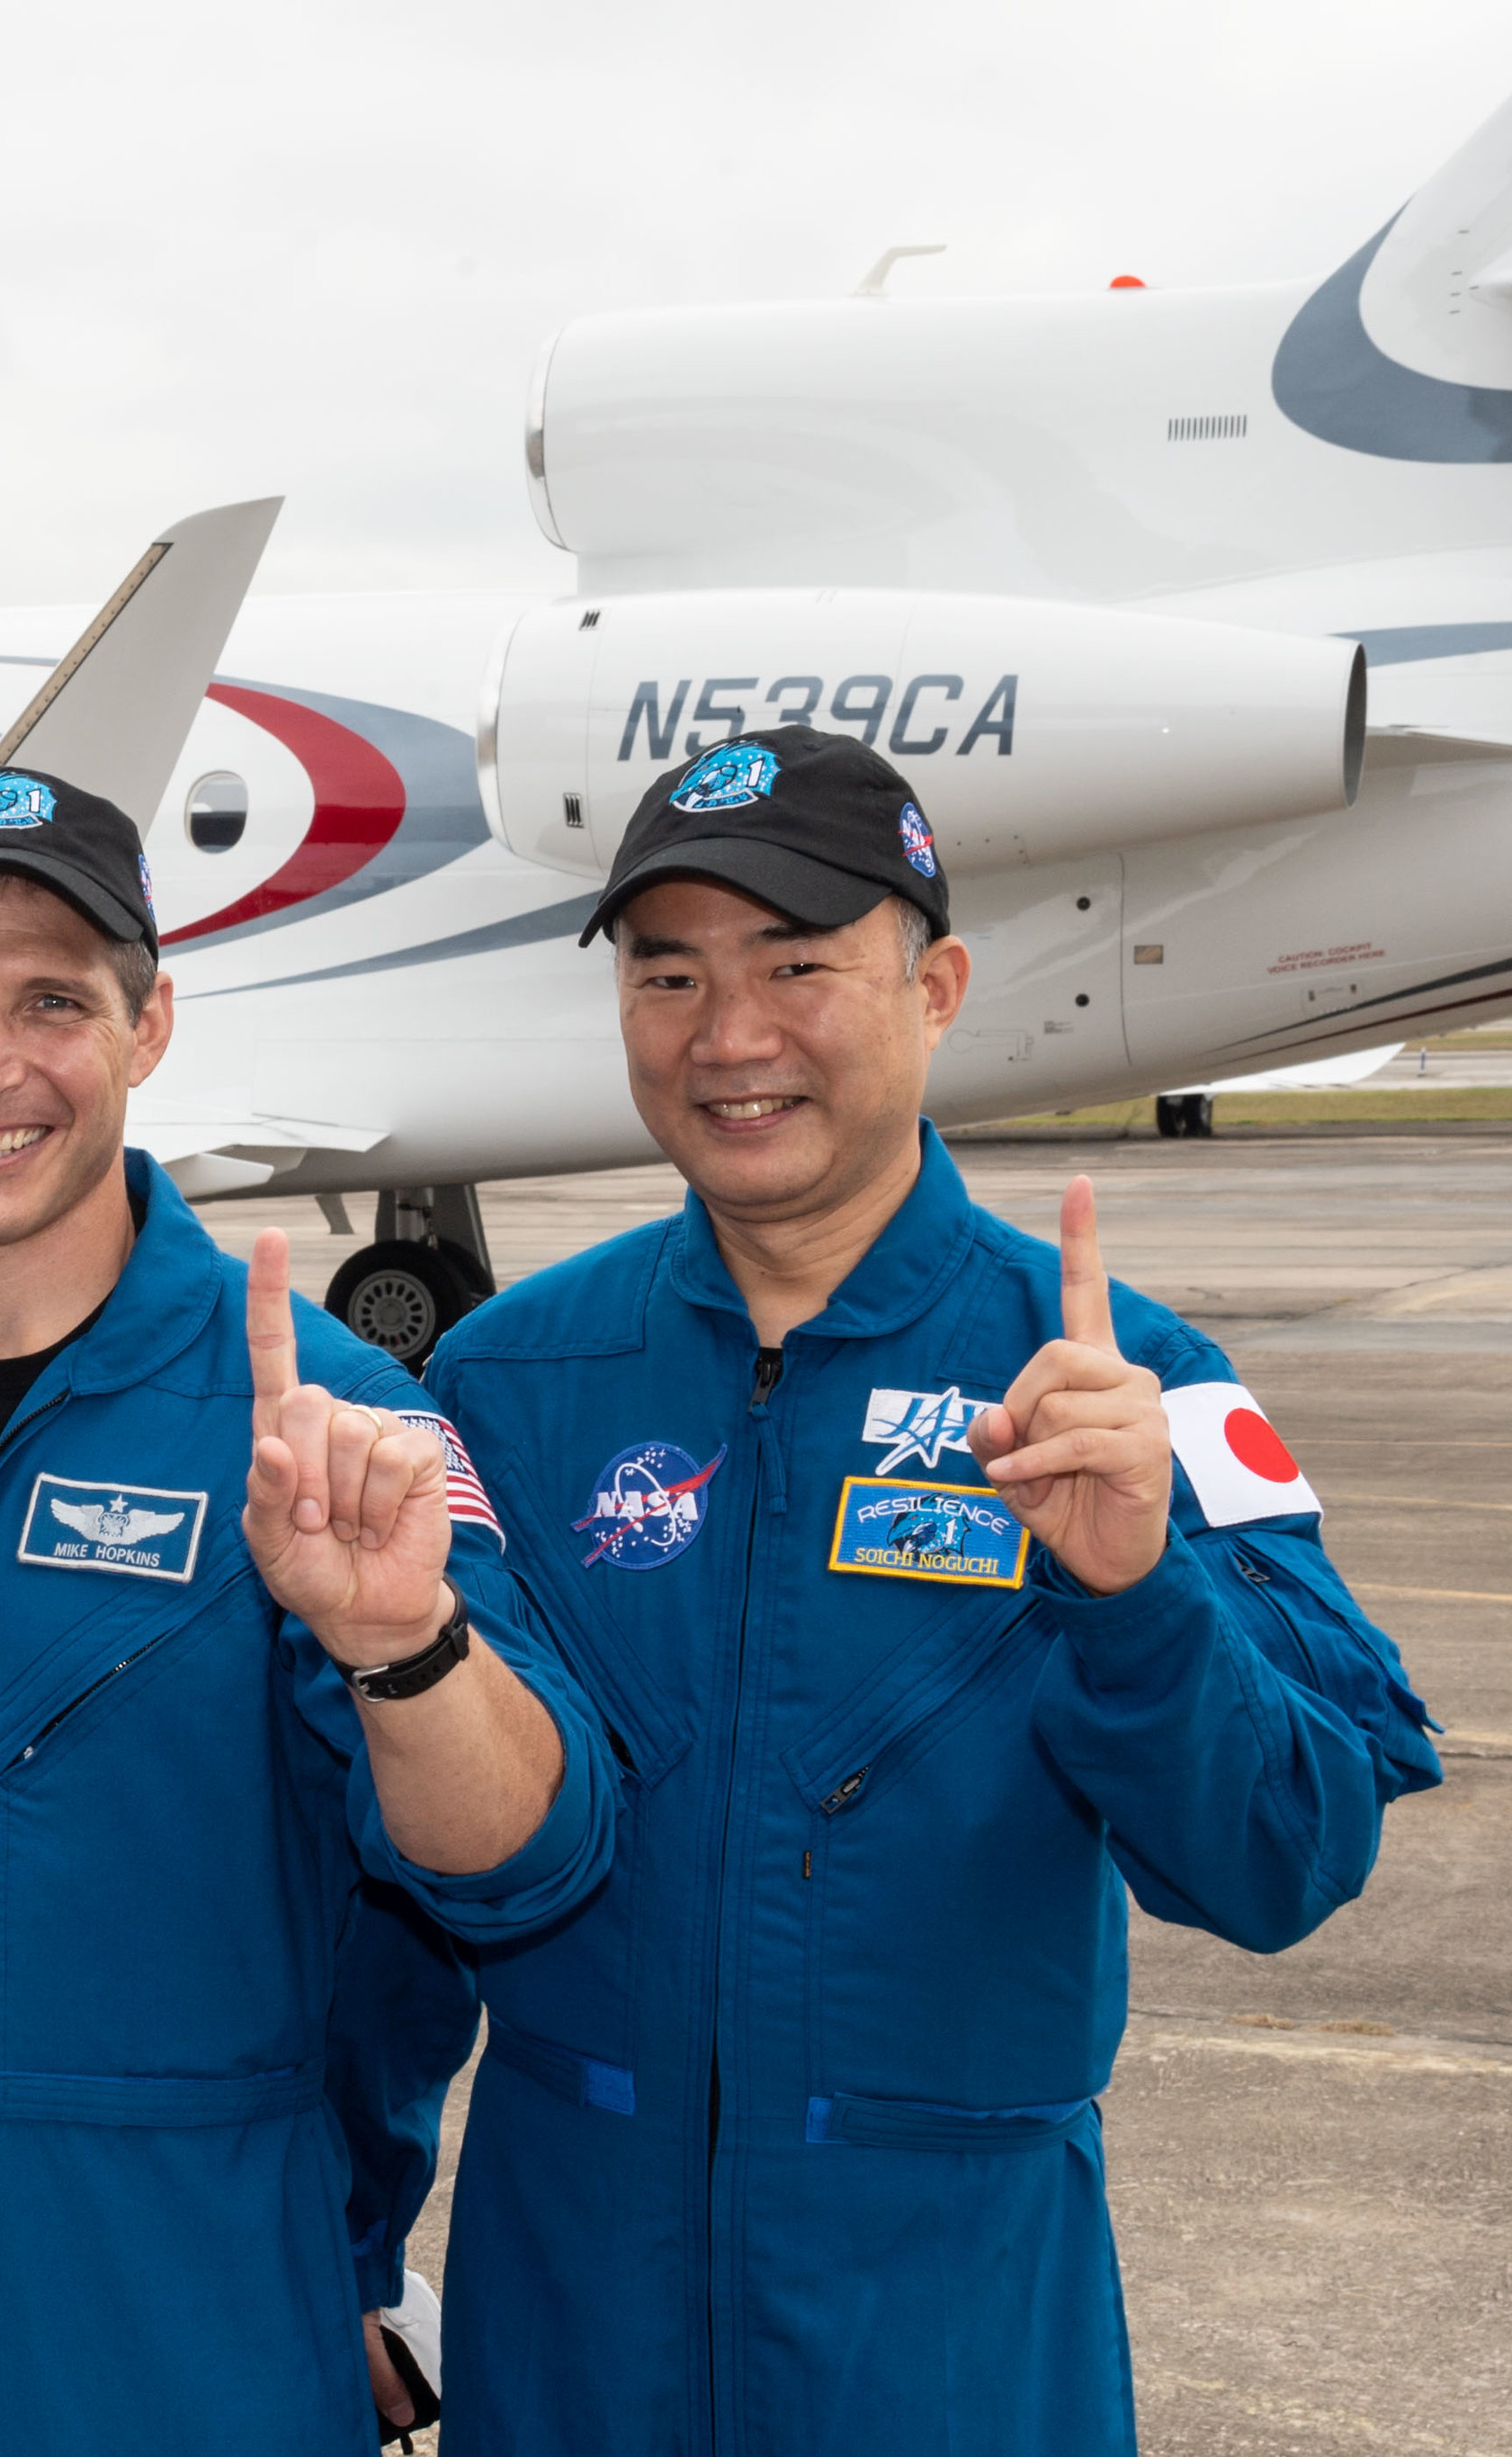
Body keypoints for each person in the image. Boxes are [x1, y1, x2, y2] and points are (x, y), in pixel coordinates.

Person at [418, 729, 1444, 2453]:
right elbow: (377, 1881)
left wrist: (1138, 1597)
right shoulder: (506, 1384)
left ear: (939, 983)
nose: (730, 1035)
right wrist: (357, 2252)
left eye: (799, 963)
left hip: (950, 2332)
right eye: (670, 972)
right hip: (570, 2317)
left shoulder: (1131, 1386)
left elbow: (1288, 1853)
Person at [0, 766, 621, 2455]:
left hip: (174, 2306)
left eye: (53, 1002)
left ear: (148, 1030)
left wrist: (403, 1645)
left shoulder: (327, 1421)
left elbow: (521, 1859)